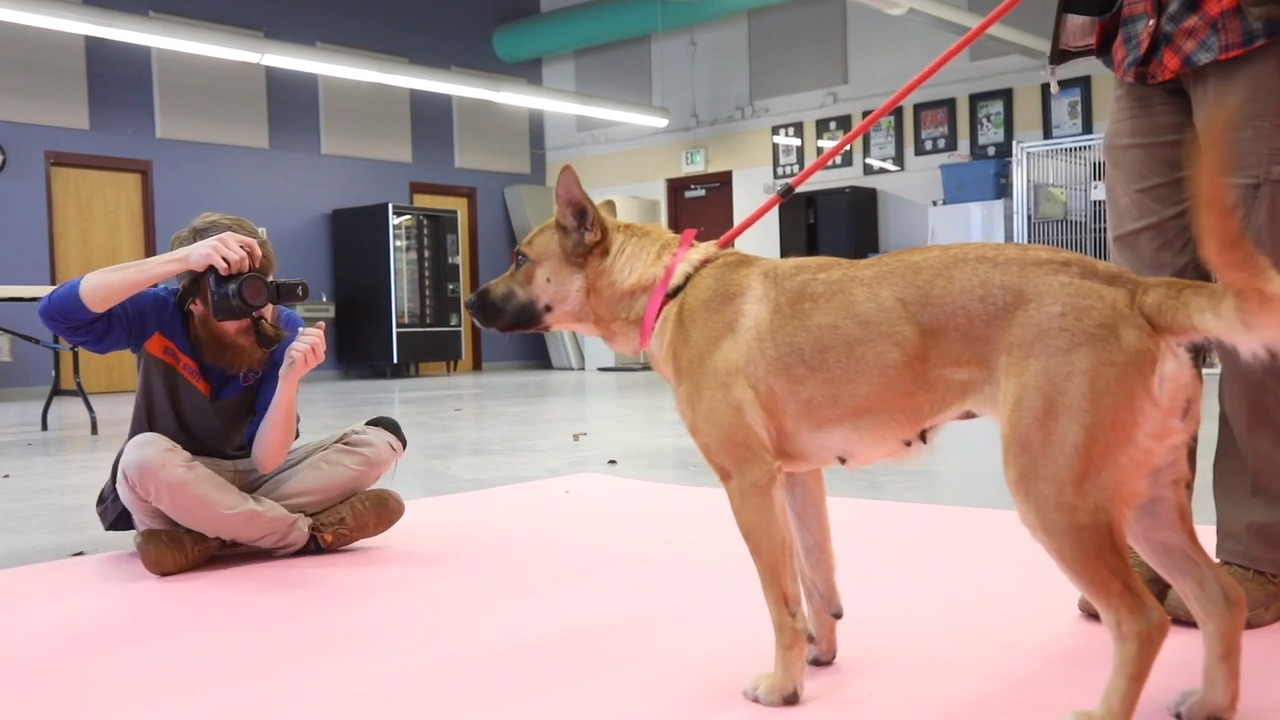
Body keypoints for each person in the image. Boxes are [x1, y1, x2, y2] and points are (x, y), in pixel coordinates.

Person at [1047, 0, 1280, 628]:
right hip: (1140, 44)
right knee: (1145, 320)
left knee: (1254, 304)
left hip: (1248, 27)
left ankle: (1262, 549)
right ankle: (1156, 541)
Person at [38, 212, 409, 577]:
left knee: (381, 440)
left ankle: (201, 538)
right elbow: (57, 313)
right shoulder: (159, 312)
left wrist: (288, 380)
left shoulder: (281, 327)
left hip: (252, 476)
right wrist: (182, 259)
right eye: (233, 300)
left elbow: (267, 460)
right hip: (174, 482)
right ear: (194, 302)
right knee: (140, 458)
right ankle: (301, 534)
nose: (253, 314)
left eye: (259, 292)